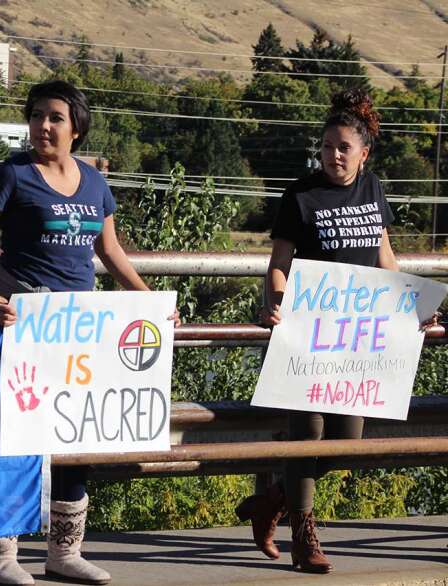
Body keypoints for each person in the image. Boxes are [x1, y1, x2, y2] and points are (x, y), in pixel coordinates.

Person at [0, 80, 179, 586]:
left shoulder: (96, 184)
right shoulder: (12, 175)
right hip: (17, 327)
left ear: (77, 126)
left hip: (77, 334)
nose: (42, 126)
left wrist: (148, 300)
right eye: (36, 115)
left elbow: (109, 252)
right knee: (10, 439)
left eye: (54, 117)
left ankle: (64, 552)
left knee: (75, 437)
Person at [235, 88, 407, 574]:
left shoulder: (372, 189)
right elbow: (278, 265)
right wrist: (277, 303)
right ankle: (303, 535)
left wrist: (407, 307)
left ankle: (271, 499)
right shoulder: (301, 194)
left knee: (344, 443)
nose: (332, 154)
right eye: (326, 145)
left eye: (343, 147)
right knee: (307, 434)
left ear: (363, 153)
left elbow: (384, 257)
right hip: (308, 336)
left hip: (358, 341)